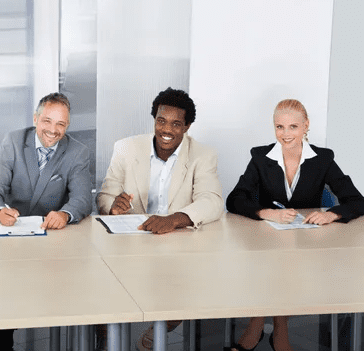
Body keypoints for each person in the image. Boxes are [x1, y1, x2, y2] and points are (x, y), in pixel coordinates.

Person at [226, 99, 364, 351]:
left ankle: (256, 328)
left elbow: (356, 201)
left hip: (307, 246)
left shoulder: (322, 159)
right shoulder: (260, 157)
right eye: (279, 127)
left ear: (306, 126)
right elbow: (234, 199)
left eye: (293, 127)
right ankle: (279, 333)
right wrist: (267, 212)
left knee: (285, 265)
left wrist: (331, 214)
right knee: (277, 264)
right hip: (267, 242)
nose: (286, 134)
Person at [96, 87, 224, 351]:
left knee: (196, 285)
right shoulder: (126, 148)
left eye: (177, 124)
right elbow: (106, 195)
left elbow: (212, 201)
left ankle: (163, 327)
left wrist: (175, 219)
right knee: (104, 284)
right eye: (161, 121)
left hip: (176, 243)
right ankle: (107, 340)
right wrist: (113, 207)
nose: (167, 129)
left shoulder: (202, 155)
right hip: (131, 241)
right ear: (154, 120)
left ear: (187, 126)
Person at [0, 92, 92, 350]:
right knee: (7, 275)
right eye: (47, 121)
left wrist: (65, 214)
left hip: (52, 236)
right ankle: (4, 331)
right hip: (11, 232)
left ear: (67, 126)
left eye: (60, 124)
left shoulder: (78, 152)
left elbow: (83, 198)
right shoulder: (13, 141)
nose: (53, 130)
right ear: (35, 118)